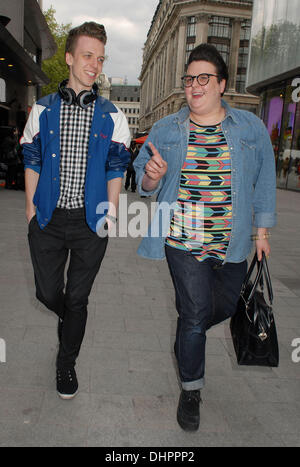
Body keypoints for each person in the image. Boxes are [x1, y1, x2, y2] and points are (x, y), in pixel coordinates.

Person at [134, 44, 276, 432]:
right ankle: (191, 389)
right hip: (182, 242)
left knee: (223, 307)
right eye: (189, 79)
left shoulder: (250, 128)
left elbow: (264, 180)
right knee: (195, 313)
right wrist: (153, 175)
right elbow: (143, 183)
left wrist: (261, 232)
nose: (194, 86)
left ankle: (187, 338)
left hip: (232, 244)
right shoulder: (166, 129)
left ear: (222, 84)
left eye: (203, 78)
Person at [21, 22, 131, 400]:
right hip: (49, 219)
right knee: (48, 293)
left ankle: (66, 365)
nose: (95, 64)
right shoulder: (43, 109)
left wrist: (110, 213)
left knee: (78, 299)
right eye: (87, 56)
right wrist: (30, 211)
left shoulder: (112, 115)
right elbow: (31, 157)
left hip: (90, 222)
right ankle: (68, 319)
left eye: (100, 58)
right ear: (69, 58)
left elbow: (117, 166)